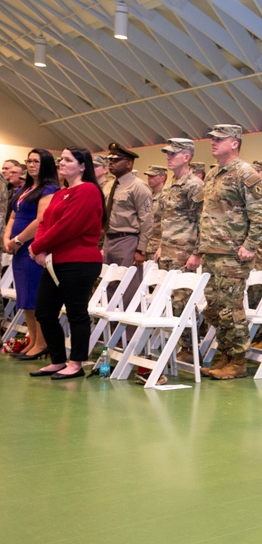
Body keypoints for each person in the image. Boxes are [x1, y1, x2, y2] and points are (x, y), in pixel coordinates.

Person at [190, 124, 262, 380]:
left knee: (230, 308)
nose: (212, 142)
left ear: (234, 142)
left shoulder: (245, 173)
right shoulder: (213, 174)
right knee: (214, 308)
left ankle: (237, 361)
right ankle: (225, 354)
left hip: (232, 255)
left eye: (219, 139)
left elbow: (260, 215)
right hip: (212, 252)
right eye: (211, 138)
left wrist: (250, 245)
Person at [27, 148, 104, 380]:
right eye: (61, 159)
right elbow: (45, 221)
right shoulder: (62, 193)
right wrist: (40, 246)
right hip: (55, 260)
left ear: (82, 166)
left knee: (76, 313)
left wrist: (38, 246)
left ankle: (76, 362)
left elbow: (68, 226)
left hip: (79, 260)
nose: (61, 163)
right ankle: (58, 360)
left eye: (68, 160)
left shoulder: (88, 190)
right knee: (44, 311)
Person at [2, 149, 60, 359]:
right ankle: (33, 339)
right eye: (29, 161)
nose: (32, 164)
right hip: (17, 248)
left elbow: (41, 220)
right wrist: (7, 238)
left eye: (36, 161)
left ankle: (42, 343)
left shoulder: (49, 189)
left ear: (45, 164)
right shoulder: (26, 189)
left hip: (32, 248)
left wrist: (18, 240)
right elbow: (13, 215)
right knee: (24, 297)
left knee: (36, 296)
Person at [154, 138, 204, 368]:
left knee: (182, 302)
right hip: (168, 251)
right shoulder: (171, 183)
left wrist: (197, 252)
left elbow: (203, 221)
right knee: (169, 301)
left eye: (173, 154)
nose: (168, 157)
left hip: (184, 253)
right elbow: (167, 219)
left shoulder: (193, 185)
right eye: (167, 153)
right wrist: (161, 246)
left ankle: (190, 349)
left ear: (187, 157)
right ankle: (179, 346)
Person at [103, 142, 153, 316]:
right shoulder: (110, 186)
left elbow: (147, 220)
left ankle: (130, 337)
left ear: (129, 164)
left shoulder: (138, 186)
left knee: (129, 289)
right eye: (110, 159)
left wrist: (141, 249)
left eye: (116, 160)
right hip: (109, 240)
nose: (111, 163)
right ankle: (111, 331)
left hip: (128, 241)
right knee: (108, 286)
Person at [144, 165, 168, 259]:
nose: (149, 179)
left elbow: (167, 222)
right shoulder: (148, 195)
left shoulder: (166, 196)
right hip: (146, 245)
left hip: (158, 246)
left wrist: (162, 246)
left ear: (162, 178)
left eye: (152, 176)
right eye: (148, 176)